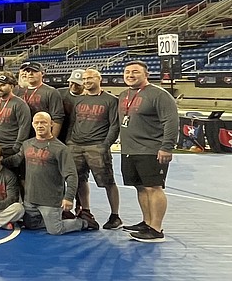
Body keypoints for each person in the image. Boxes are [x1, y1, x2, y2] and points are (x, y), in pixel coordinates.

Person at [4, 112, 98, 234]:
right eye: (37, 123)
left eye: (43, 122)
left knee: (55, 230)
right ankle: (51, 221)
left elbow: (71, 175)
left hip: (50, 200)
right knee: (30, 225)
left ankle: (83, 222)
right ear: (32, 125)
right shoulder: (27, 144)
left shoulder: (60, 148)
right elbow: (16, 160)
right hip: (30, 199)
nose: (40, 125)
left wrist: (68, 198)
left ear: (51, 124)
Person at [117, 60, 177, 243]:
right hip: (129, 150)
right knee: (140, 187)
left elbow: (171, 121)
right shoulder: (124, 95)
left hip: (151, 150)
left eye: (135, 72)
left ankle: (156, 229)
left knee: (154, 187)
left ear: (146, 74)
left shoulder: (159, 95)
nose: (130, 75)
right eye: (127, 72)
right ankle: (147, 222)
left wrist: (167, 146)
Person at [66, 68, 123, 229]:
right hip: (76, 145)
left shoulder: (110, 100)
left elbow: (114, 125)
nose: (86, 81)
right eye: (84, 79)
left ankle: (115, 215)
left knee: (107, 181)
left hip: (97, 145)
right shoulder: (79, 100)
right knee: (78, 180)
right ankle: (86, 211)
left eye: (90, 78)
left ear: (100, 79)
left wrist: (106, 145)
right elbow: (72, 123)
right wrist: (70, 141)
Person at [0, 72, 33, 158]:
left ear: (12, 86)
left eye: (3, 85)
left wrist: (16, 148)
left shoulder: (20, 104)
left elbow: (24, 127)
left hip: (10, 147)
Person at [15, 62, 66, 136]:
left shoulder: (51, 92)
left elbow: (58, 118)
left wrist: (52, 139)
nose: (30, 74)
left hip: (41, 134)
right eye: (28, 71)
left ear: (42, 73)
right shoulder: (18, 91)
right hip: (20, 134)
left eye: (35, 71)